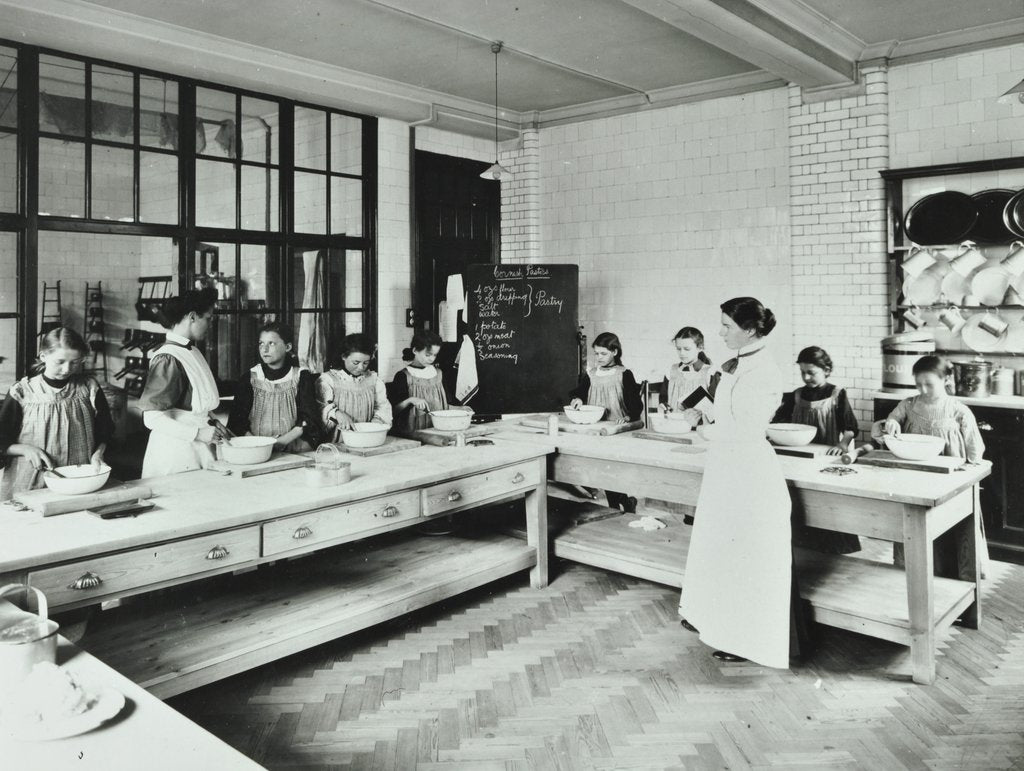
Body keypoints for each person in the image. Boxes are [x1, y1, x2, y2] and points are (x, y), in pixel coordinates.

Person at [679, 297, 807, 667]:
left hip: (748, 470)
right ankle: (721, 626)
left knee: (746, 556)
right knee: (722, 550)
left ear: (750, 330)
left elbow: (746, 430)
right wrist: (705, 414)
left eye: (726, 327)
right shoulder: (738, 364)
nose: (719, 333)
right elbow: (727, 415)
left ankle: (749, 640)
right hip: (727, 467)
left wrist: (708, 431)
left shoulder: (764, 370)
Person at [873, 354, 988, 577]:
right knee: (917, 525)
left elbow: (975, 450)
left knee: (951, 527)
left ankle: (958, 579)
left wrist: (969, 470)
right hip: (916, 479)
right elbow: (888, 424)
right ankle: (917, 575)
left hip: (949, 481)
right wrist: (892, 423)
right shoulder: (907, 405)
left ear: (946, 380)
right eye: (918, 384)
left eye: (929, 384)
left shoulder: (958, 410)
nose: (923, 390)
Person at [0, 327, 114, 500]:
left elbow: (105, 430)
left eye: (75, 362)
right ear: (43, 356)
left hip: (78, 479)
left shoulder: (89, 388)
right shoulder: (22, 391)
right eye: (60, 362)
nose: (67, 368)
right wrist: (25, 449)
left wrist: (99, 453)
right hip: (31, 479)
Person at [773, 345, 861, 554]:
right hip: (800, 456)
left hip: (825, 455)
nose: (806, 377)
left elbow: (850, 427)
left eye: (811, 372)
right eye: (802, 372)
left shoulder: (837, 394)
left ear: (826, 370)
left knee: (826, 502)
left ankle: (834, 550)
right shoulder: (796, 395)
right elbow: (780, 421)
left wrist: (842, 444)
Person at [138, 287, 226, 478]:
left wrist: (212, 420)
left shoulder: (192, 351)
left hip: (198, 443)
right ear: (192, 317)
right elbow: (151, 418)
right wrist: (197, 433)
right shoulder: (168, 358)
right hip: (177, 450)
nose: (210, 324)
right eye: (208, 318)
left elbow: (193, 401)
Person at [569, 331, 643, 513]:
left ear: (615, 352)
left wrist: (627, 417)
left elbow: (636, 405)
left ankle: (622, 503)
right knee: (603, 471)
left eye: (604, 353)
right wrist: (577, 398)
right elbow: (580, 392)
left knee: (613, 471)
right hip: (597, 429)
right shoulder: (591, 374)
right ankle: (621, 504)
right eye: (596, 353)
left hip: (618, 429)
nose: (599, 358)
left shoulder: (624, 374)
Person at [227, 321, 323, 452]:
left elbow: (309, 419)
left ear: (287, 347)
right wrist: (259, 445)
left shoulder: (301, 377)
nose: (264, 349)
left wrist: (281, 441)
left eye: (271, 343)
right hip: (255, 447)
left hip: (292, 446)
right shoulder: (249, 378)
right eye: (261, 343)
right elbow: (237, 422)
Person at [389, 330, 472, 436]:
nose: (431, 359)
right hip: (413, 434)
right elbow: (394, 410)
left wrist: (461, 410)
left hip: (438, 430)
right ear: (415, 350)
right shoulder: (403, 376)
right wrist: (411, 400)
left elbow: (444, 406)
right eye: (428, 355)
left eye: (435, 355)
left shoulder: (438, 373)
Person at [317, 333, 392, 440]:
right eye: (356, 362)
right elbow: (321, 406)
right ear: (344, 357)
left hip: (368, 437)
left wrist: (375, 424)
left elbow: (382, 406)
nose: (361, 367)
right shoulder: (328, 379)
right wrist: (336, 413)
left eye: (366, 363)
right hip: (338, 439)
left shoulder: (374, 380)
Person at [659, 326, 716, 425]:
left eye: (687, 349)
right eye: (678, 349)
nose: (682, 353)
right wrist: (663, 405)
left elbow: (717, 407)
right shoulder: (671, 371)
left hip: (700, 429)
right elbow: (663, 397)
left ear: (700, 348)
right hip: (674, 425)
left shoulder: (709, 372)